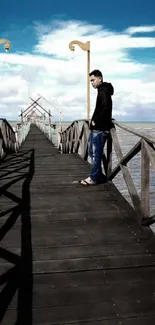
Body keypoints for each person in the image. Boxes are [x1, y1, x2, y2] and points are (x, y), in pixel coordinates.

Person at [80, 69, 114, 185]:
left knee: (95, 154)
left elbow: (105, 106)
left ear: (100, 78)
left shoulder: (103, 91)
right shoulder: (103, 90)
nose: (92, 83)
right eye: (90, 81)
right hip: (99, 128)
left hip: (100, 128)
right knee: (91, 151)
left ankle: (94, 178)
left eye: (93, 80)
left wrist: (96, 121)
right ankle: (98, 175)